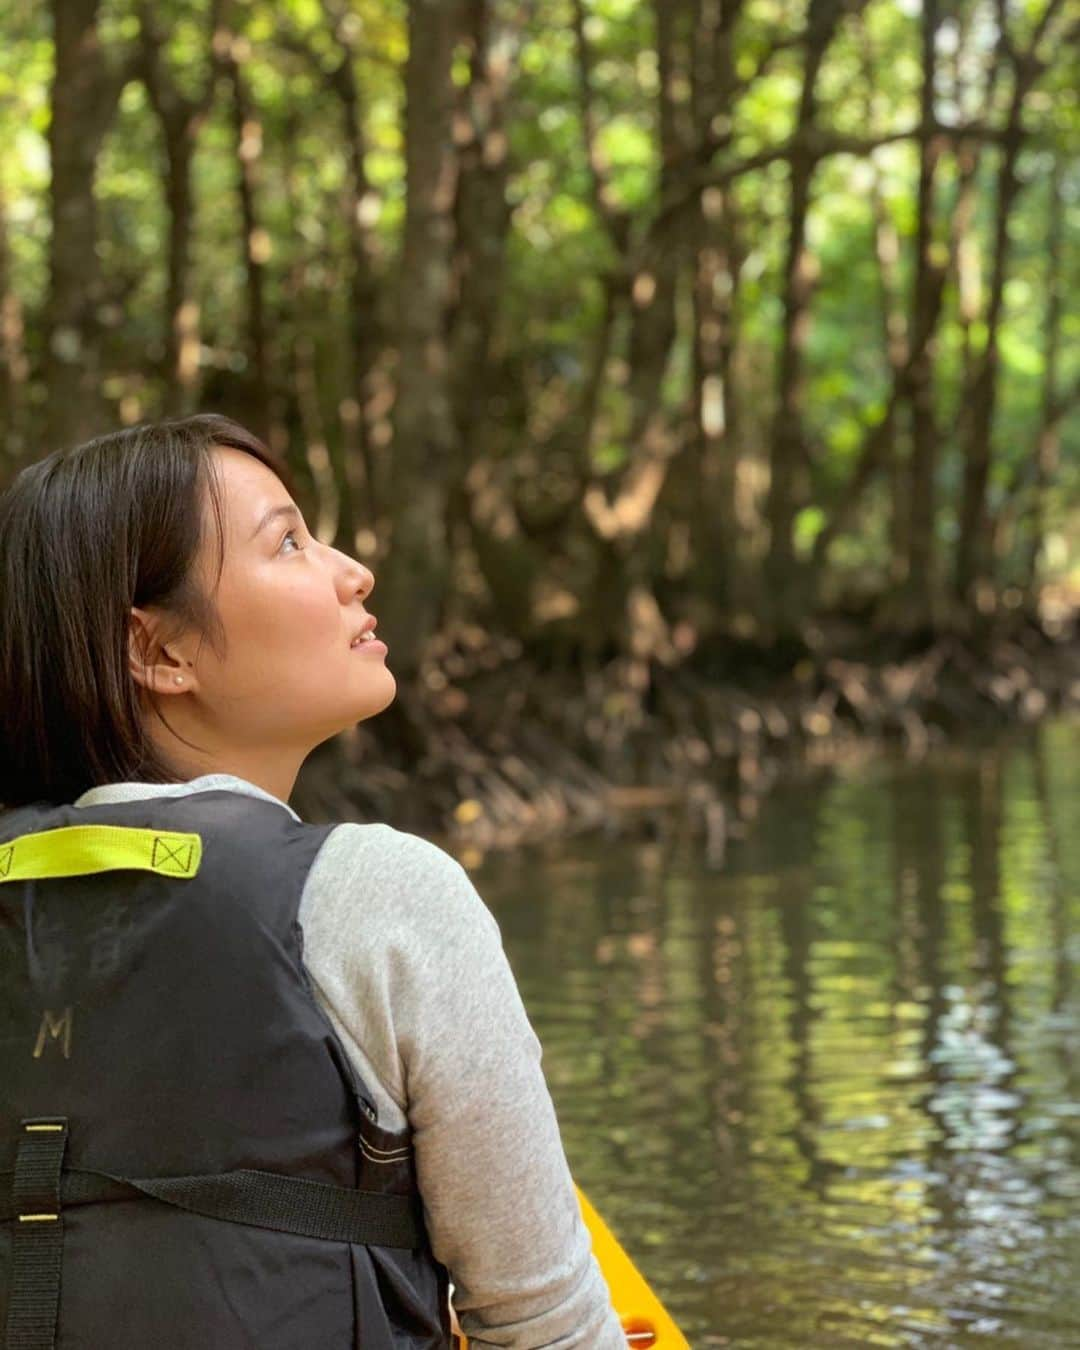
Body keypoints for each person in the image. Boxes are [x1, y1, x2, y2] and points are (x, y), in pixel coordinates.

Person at [0, 414, 625, 1349]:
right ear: (161, 652)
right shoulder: (382, 895)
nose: (351, 571)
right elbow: (546, 1329)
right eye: (287, 541)